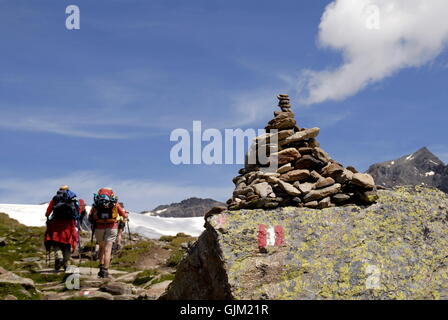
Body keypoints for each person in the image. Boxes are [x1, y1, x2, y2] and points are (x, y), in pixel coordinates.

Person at [88, 187, 126, 278]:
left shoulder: (96, 204)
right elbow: (123, 215)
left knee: (101, 247)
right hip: (112, 227)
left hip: (99, 227)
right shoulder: (114, 203)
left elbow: (90, 216)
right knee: (108, 249)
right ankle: (105, 270)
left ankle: (101, 267)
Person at [44, 185, 80, 271]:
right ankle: (66, 264)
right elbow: (77, 211)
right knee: (67, 243)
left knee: (56, 242)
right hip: (69, 224)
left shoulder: (55, 199)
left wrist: (48, 216)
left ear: (59, 190)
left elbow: (48, 212)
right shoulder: (72, 198)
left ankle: (59, 257)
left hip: (56, 223)